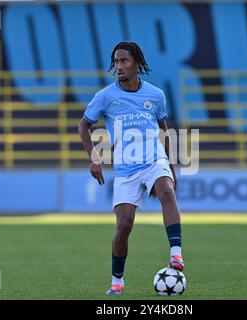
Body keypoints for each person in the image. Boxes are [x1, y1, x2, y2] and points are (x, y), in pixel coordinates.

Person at [78, 41, 184, 295]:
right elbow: (83, 126)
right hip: (126, 169)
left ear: (137, 63)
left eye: (124, 61)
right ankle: (117, 280)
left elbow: (165, 131)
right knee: (124, 225)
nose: (119, 66)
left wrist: (170, 167)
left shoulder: (156, 95)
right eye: (116, 61)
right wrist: (94, 158)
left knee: (166, 191)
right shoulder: (105, 96)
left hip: (153, 159)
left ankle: (176, 254)